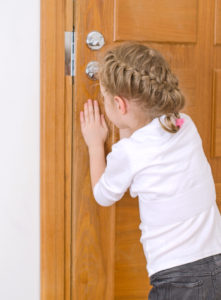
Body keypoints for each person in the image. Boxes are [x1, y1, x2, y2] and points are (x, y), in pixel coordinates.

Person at [79, 42, 221, 299]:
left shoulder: (130, 153)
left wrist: (94, 144)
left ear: (120, 106)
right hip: (216, 257)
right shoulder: (183, 123)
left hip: (179, 279)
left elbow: (103, 194)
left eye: (104, 97)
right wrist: (125, 126)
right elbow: (144, 140)